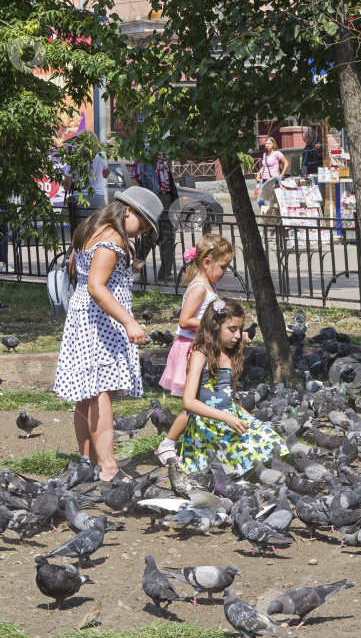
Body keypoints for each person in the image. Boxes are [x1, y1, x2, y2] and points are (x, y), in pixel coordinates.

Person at [53, 187, 161, 482]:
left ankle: (87, 462)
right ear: (129, 211)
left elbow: (79, 271)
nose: (141, 233)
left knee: (87, 392)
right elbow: (97, 286)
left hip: (83, 316)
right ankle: (109, 468)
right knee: (101, 391)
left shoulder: (90, 228)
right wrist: (129, 322)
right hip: (101, 321)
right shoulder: (112, 238)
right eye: (144, 225)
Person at [153, 233, 236, 465]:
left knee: (205, 401)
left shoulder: (210, 285)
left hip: (202, 350)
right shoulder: (199, 287)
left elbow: (216, 311)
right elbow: (184, 320)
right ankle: (167, 444)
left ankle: (197, 443)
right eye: (223, 266)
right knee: (194, 405)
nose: (225, 271)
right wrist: (214, 327)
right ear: (207, 262)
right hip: (191, 351)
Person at [179, 297, 287, 474]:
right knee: (246, 457)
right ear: (215, 326)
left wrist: (250, 421)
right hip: (208, 424)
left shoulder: (233, 356)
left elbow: (230, 400)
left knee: (274, 441)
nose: (238, 335)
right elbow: (188, 402)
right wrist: (226, 418)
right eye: (232, 329)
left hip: (231, 418)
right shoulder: (200, 355)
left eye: (240, 329)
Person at [131, 147, 179, 281]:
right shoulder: (143, 155)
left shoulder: (168, 156)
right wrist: (142, 201)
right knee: (146, 237)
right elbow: (134, 179)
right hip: (150, 199)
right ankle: (137, 272)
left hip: (167, 198)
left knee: (168, 237)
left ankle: (165, 273)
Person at [62, 130, 111, 229]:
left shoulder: (74, 159)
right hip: (98, 198)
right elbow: (106, 174)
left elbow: (66, 186)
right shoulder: (100, 156)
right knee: (98, 231)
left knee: (80, 232)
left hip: (79, 200)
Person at [256, 137, 289, 215]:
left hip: (273, 179)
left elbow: (286, 163)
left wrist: (281, 175)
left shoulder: (277, 153)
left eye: (269, 143)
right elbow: (264, 166)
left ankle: (273, 217)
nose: (267, 145)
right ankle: (267, 213)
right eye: (266, 144)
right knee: (260, 199)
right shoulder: (265, 154)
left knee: (273, 200)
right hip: (264, 179)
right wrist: (259, 173)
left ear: (273, 145)